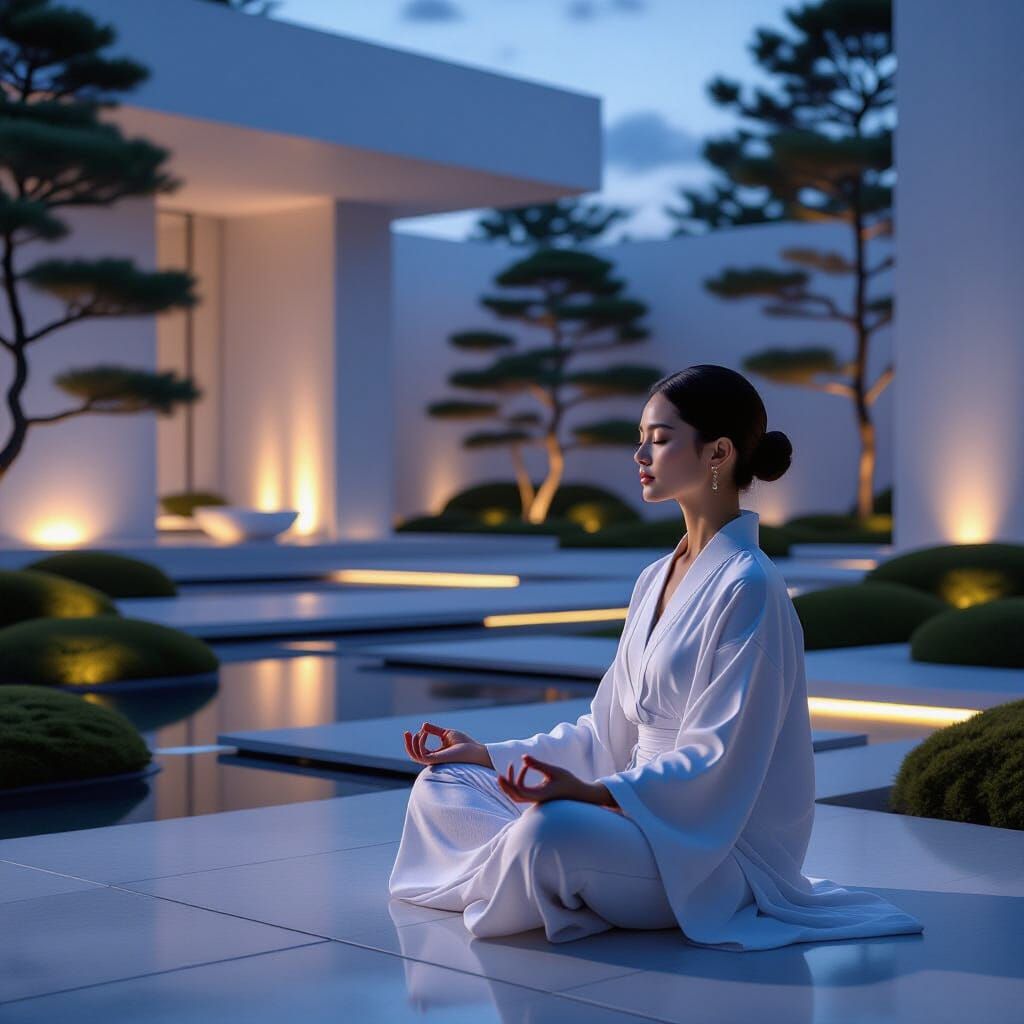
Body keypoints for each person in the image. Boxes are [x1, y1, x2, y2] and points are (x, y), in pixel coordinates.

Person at [388, 364, 925, 950]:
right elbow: (605, 731)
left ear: (718, 452)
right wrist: (490, 755)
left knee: (550, 831)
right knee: (444, 784)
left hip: (709, 848)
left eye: (660, 438)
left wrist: (593, 796)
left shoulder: (750, 586)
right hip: (628, 806)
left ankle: (534, 864)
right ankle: (535, 871)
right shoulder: (654, 577)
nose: (640, 453)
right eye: (640, 437)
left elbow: (717, 760)